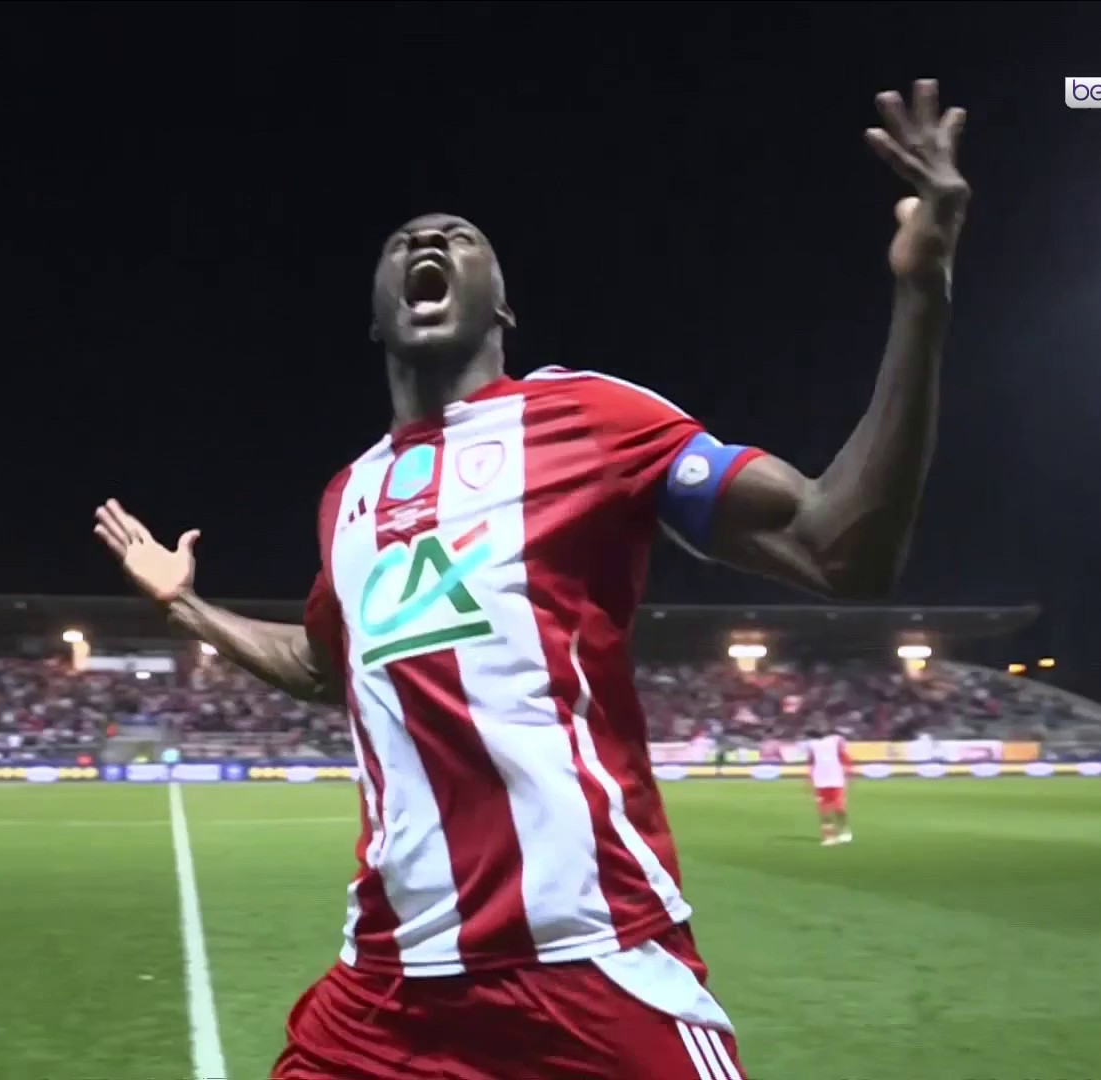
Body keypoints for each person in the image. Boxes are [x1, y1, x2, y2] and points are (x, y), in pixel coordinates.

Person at [97, 79, 969, 1080]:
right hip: (387, 994)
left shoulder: (594, 420)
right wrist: (185, 604)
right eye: (403, 243)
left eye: (459, 237)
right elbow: (320, 664)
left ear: (501, 303)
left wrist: (921, 294)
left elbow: (839, 548)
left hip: (588, 967)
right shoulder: (350, 497)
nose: (428, 243)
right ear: (376, 318)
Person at [804, 724, 853, 845]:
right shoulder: (812, 745)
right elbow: (811, 761)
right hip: (821, 781)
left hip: (835, 779)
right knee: (824, 810)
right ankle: (829, 836)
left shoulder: (835, 740)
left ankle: (844, 831)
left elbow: (843, 754)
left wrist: (848, 769)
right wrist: (810, 777)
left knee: (838, 808)